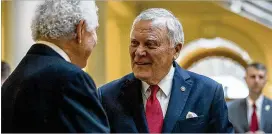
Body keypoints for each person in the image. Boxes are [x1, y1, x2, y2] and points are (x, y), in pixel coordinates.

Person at [98, 8, 233, 133]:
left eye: (150, 44)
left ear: (176, 50)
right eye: (134, 43)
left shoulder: (208, 92)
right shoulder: (108, 96)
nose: (139, 52)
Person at [1, 0, 109, 133]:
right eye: (94, 30)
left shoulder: (11, 81)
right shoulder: (72, 79)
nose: (95, 40)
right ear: (80, 30)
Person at [228, 63, 272, 133]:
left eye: (260, 77)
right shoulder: (231, 109)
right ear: (245, 79)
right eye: (253, 76)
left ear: (265, 80)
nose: (256, 81)